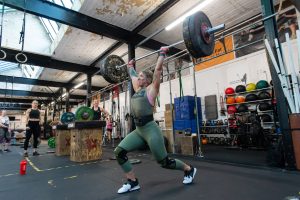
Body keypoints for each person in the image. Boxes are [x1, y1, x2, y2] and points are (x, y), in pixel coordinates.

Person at [114, 47, 197, 194]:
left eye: (141, 77)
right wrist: (130, 67)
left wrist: (162, 54)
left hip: (151, 130)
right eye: (138, 77)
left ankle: (189, 169)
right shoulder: (137, 88)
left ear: (147, 80)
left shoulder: (151, 90)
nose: (138, 79)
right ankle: (133, 182)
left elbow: (158, 70)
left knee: (163, 162)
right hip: (139, 131)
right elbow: (132, 75)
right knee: (119, 152)